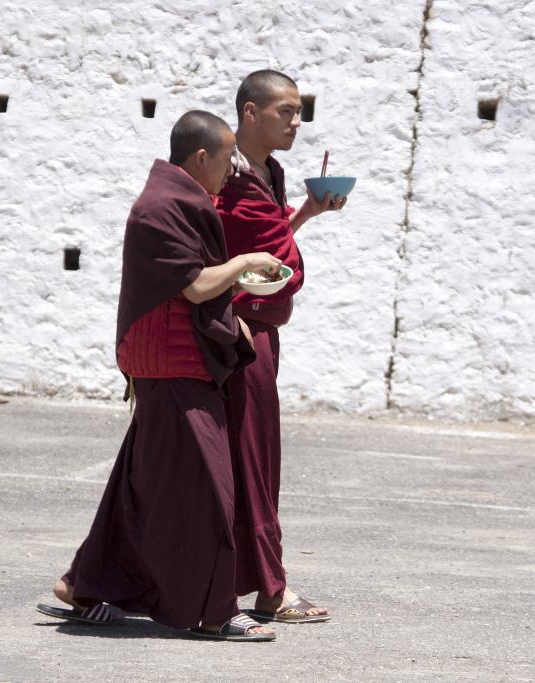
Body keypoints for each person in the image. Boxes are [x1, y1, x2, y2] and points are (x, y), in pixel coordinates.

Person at [36, 110, 283, 642]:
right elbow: (194, 287)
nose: (228, 174)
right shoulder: (161, 208)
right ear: (200, 158)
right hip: (171, 370)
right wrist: (243, 263)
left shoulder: (174, 201)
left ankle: (84, 585)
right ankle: (215, 612)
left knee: (143, 486)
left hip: (176, 366)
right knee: (211, 492)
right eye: (224, 162)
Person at [216, 70, 346, 624]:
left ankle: (260, 583)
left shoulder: (270, 171)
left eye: (299, 112)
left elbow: (268, 245)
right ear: (250, 113)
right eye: (286, 112)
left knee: (249, 459)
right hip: (234, 336)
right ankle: (270, 588)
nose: (297, 122)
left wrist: (305, 216)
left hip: (259, 331)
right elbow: (258, 260)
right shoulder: (225, 174)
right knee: (248, 458)